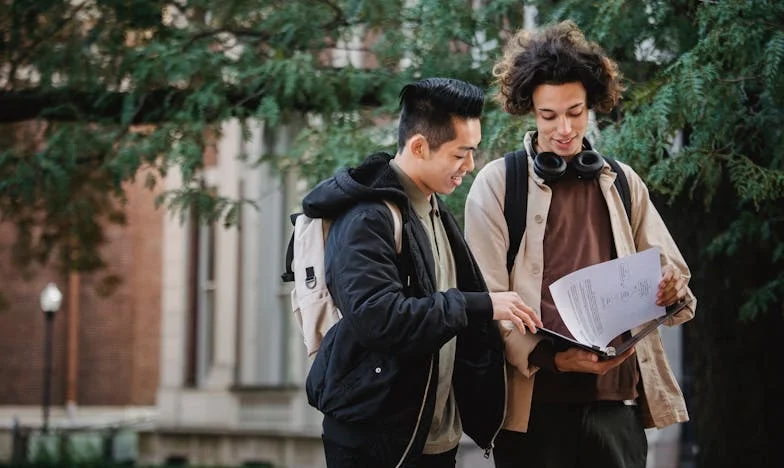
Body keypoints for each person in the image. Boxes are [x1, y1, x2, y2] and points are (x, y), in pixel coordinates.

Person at [464, 21, 698, 468]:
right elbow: (485, 304)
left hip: (618, 407)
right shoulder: (497, 185)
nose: (565, 128)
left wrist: (670, 290)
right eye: (549, 116)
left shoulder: (623, 182)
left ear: (592, 105)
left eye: (576, 111)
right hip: (534, 411)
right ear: (529, 110)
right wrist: (553, 359)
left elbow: (677, 282)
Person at [302, 77, 543, 468]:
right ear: (418, 146)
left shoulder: (433, 209)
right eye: (460, 153)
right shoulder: (368, 218)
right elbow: (378, 318)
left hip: (432, 439)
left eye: (474, 151)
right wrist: (480, 306)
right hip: (376, 439)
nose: (470, 165)